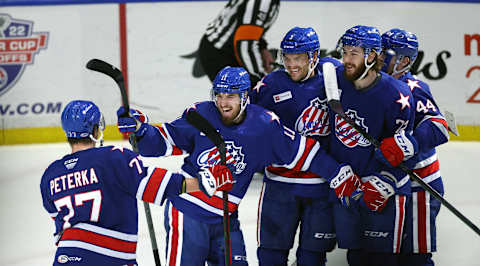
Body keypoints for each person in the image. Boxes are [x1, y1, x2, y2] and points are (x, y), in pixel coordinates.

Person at [117, 66, 360, 265]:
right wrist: (140, 131)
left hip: (226, 217)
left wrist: (336, 173)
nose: (223, 103)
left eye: (230, 96)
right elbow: (160, 144)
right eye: (219, 95)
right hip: (187, 213)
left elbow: (303, 152)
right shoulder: (200, 115)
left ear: (245, 97)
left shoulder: (265, 126)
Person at [40, 100, 233, 265]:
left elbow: (59, 222)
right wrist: (206, 182)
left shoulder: (50, 175)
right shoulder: (113, 157)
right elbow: (159, 185)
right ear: (96, 129)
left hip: (65, 257)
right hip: (110, 257)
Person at [249, 26, 342, 266]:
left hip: (321, 187)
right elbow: (244, 120)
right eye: (287, 58)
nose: (291, 65)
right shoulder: (272, 84)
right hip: (280, 186)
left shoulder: (332, 78)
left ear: (313, 57)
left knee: (312, 258)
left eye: (298, 58)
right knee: (270, 256)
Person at [327, 25, 417, 266]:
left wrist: (387, 179)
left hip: (383, 192)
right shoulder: (334, 80)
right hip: (348, 189)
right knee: (355, 257)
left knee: (382, 260)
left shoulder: (397, 95)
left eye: (353, 53)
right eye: (344, 52)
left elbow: (404, 150)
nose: (346, 59)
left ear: (372, 56)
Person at [378, 28, 450, 266]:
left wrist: (410, 143)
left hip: (420, 184)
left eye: (384, 54)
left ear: (404, 60)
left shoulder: (414, 89)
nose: (378, 58)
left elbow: (439, 126)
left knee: (414, 256)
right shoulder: (371, 86)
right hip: (388, 181)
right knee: (382, 252)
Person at [198, 0, 280, 85]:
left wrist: (262, 48)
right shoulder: (262, 2)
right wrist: (259, 78)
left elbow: (246, 28)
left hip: (227, 51)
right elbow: (244, 44)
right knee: (252, 93)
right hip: (221, 55)